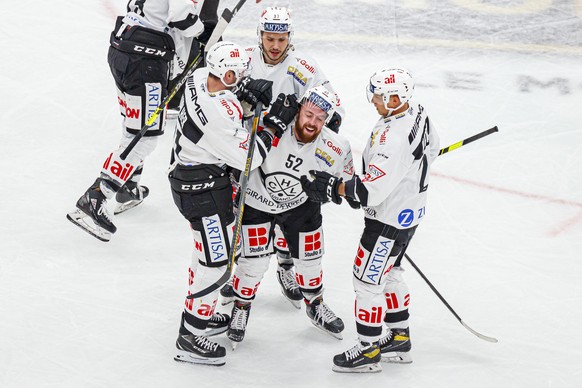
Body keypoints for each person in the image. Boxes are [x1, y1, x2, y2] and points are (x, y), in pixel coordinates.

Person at [301, 67, 440, 373]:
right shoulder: (418, 111)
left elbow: (368, 192)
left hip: (387, 222)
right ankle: (399, 338)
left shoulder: (394, 140)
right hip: (409, 213)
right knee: (389, 274)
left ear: (393, 98)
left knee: (366, 281)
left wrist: (332, 187)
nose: (373, 101)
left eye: (378, 96)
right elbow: (435, 147)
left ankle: (368, 351)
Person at [169, 41, 297, 366]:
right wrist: (275, 126)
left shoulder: (199, 78)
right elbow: (248, 158)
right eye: (237, 75)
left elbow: (225, 108)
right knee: (215, 264)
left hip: (196, 179)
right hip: (202, 192)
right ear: (225, 74)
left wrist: (243, 97)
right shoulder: (220, 113)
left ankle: (201, 313)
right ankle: (190, 335)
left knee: (211, 257)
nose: (242, 79)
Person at [220, 6, 345, 309]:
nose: (275, 46)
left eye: (281, 39)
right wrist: (243, 101)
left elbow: (335, 110)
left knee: (288, 214)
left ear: (290, 37)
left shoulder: (303, 67)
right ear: (260, 35)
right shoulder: (244, 61)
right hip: (247, 153)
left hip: (286, 157)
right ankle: (237, 276)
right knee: (247, 219)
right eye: (269, 38)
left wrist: (315, 120)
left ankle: (286, 268)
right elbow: (219, 101)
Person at [67, 0, 219, 242]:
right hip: (145, 60)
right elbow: (181, 15)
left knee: (133, 128)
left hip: (123, 46)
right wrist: (202, 30)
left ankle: (128, 186)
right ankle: (96, 197)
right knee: (144, 138)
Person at [226, 86, 355, 349]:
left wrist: (335, 189)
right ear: (298, 110)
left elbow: (352, 189)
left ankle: (315, 305)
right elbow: (233, 149)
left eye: (320, 118)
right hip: (258, 200)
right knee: (253, 263)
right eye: (309, 114)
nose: (312, 123)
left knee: (310, 261)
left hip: (301, 206)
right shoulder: (271, 124)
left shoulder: (337, 147)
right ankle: (241, 307)